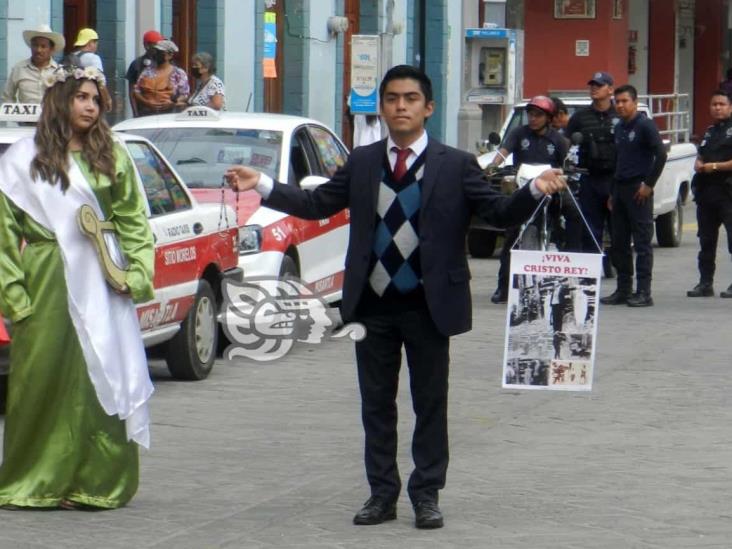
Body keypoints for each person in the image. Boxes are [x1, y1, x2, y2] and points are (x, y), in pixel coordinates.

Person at [224, 65, 565, 529]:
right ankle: (381, 494)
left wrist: (533, 190)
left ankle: (426, 494)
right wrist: (262, 184)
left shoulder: (456, 164)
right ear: (381, 107)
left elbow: (498, 212)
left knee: (430, 403)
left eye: (409, 98)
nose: (400, 106)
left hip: (429, 307)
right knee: (376, 405)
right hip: (372, 305)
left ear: (428, 107)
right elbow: (317, 204)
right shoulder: (363, 162)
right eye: (391, 99)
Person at [0, 65, 155, 509]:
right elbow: (4, 237)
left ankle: (98, 481)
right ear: (59, 100)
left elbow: (134, 223)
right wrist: (16, 298)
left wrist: (136, 274)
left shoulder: (113, 153)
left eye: (95, 99)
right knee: (40, 379)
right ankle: (36, 480)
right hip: (47, 277)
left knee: (103, 374)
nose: (90, 106)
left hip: (103, 277)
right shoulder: (23, 159)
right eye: (81, 97)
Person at [487, 95, 568, 304]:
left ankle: (558, 286)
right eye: (530, 114)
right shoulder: (518, 133)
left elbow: (566, 165)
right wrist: (493, 165)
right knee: (512, 238)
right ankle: (503, 288)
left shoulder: (558, 140)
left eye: (538, 115)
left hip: (549, 195)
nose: (533, 118)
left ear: (549, 117)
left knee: (566, 228)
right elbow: (503, 152)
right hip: (522, 192)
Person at [600, 84, 667, 307]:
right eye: (617, 102)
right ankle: (623, 288)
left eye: (624, 101)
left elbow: (660, 155)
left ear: (634, 102)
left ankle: (644, 292)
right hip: (619, 190)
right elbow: (617, 162)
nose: (620, 105)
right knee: (619, 242)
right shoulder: (619, 128)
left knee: (642, 243)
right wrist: (612, 192)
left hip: (638, 190)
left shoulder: (645, 125)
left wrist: (648, 184)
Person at [565, 72, 620, 253]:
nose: (594, 88)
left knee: (619, 229)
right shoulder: (580, 117)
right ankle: (590, 276)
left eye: (599, 85)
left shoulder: (620, 114)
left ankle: (622, 274)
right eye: (592, 85)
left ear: (610, 89)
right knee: (589, 229)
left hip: (615, 179)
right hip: (590, 179)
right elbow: (565, 142)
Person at [687, 91, 732, 298]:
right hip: (707, 194)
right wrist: (698, 162)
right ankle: (705, 283)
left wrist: (712, 166)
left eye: (722, 104)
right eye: (714, 104)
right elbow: (702, 154)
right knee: (706, 241)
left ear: (730, 107)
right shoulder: (710, 131)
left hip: (728, 193)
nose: (717, 108)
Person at [2, 24, 64, 104]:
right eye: (35, 45)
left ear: (51, 49)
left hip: (50, 116)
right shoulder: (19, 69)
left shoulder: (59, 71)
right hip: (25, 116)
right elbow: (7, 97)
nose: (38, 50)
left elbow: (64, 100)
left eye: (43, 46)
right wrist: (14, 114)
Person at [133, 39, 189, 116]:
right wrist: (146, 102)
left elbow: (185, 94)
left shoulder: (179, 73)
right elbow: (136, 91)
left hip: (169, 114)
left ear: (170, 55)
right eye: (156, 51)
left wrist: (173, 102)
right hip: (147, 113)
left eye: (160, 52)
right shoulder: (147, 71)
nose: (157, 54)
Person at [67, 27, 112, 111]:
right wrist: (107, 99)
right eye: (95, 42)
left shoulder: (70, 57)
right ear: (90, 43)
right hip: (88, 100)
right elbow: (100, 81)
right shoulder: (93, 58)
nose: (96, 45)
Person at [125, 30, 165, 117]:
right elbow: (132, 92)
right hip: (144, 112)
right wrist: (135, 113)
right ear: (147, 46)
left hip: (163, 112)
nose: (159, 48)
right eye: (156, 45)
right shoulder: (136, 64)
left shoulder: (164, 64)